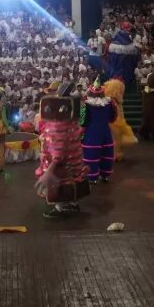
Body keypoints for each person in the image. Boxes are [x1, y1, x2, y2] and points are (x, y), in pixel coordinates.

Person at [35, 85, 88, 219]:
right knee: (73, 180)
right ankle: (73, 203)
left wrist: (48, 172)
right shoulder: (72, 124)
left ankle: (58, 209)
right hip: (73, 162)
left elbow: (58, 154)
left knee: (58, 184)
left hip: (61, 166)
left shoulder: (57, 127)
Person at [80, 78, 117, 184]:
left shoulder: (86, 105)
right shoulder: (110, 103)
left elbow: (83, 121)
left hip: (92, 133)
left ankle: (92, 177)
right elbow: (112, 118)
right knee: (106, 154)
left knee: (92, 154)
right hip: (106, 132)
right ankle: (105, 176)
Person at [103, 78, 138, 161]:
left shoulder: (108, 100)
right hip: (116, 121)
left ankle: (112, 154)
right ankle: (116, 154)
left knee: (113, 138)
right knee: (117, 139)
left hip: (112, 121)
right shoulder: (115, 101)